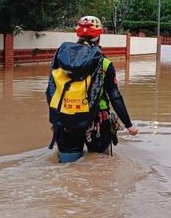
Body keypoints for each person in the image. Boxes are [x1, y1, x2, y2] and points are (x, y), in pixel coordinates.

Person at [47, 16, 138, 162]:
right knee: (99, 164)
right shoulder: (105, 64)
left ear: (78, 34)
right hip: (97, 122)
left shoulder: (61, 60)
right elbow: (114, 96)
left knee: (67, 167)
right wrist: (129, 125)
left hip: (66, 120)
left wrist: (56, 117)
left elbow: (50, 91)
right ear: (98, 36)